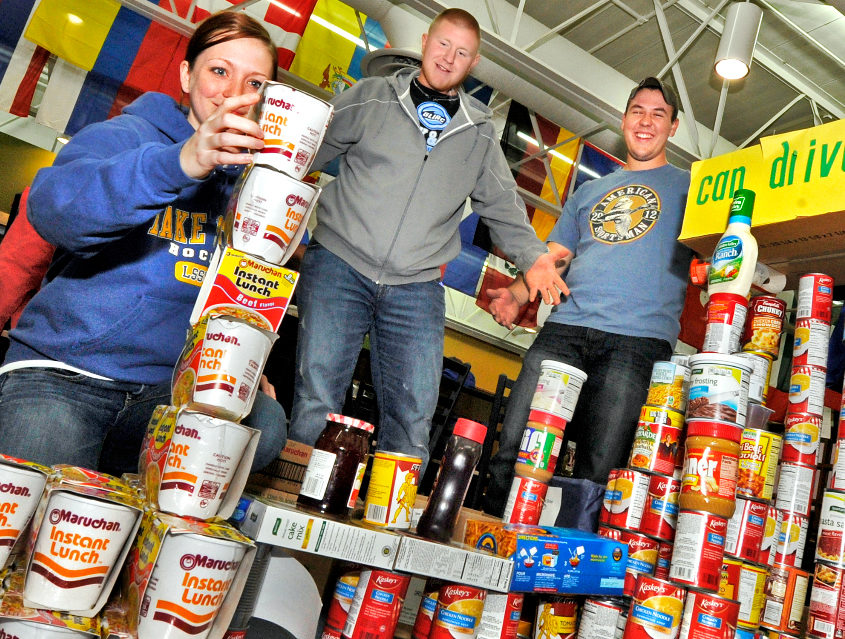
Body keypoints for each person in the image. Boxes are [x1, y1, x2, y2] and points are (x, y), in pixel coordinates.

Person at [0, 11, 287, 474]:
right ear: (186, 74)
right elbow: (56, 210)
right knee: (33, 513)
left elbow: (244, 294)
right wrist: (180, 162)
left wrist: (241, 366)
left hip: (164, 396)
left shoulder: (258, 189)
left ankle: (134, 502)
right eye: (219, 71)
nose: (234, 93)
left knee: (265, 423)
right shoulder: (123, 136)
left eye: (255, 83)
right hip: (65, 374)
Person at [289, 8, 567, 471]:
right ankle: (291, 505)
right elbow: (306, 151)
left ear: (472, 63)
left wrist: (534, 257)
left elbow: (502, 205)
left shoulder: (478, 133)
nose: (448, 57)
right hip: (339, 262)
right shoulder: (374, 96)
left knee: (415, 412)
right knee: (317, 395)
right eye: (442, 44)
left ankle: (385, 529)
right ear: (424, 42)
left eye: (461, 52)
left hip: (416, 287)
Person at [483, 77, 694, 519]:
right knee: (515, 449)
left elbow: (722, 250)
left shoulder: (693, 188)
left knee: (601, 469)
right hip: (564, 332)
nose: (646, 121)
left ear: (673, 128)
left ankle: (568, 580)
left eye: (659, 114)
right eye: (638, 110)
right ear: (624, 120)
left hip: (636, 344)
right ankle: (494, 550)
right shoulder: (589, 191)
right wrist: (517, 293)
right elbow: (555, 258)